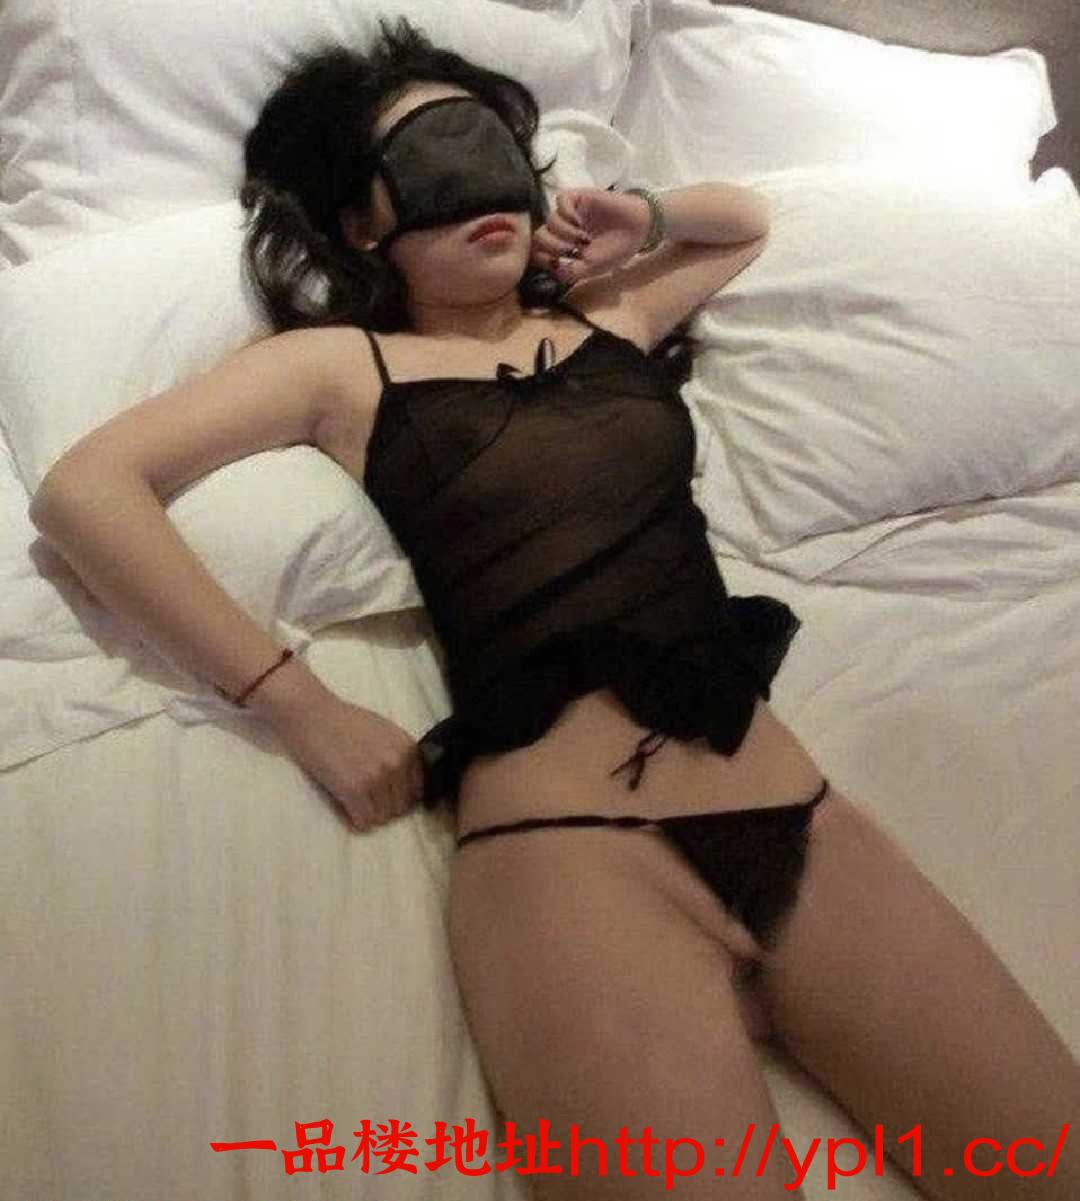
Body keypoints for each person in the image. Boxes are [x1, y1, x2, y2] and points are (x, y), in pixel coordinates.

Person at [29, 19, 1078, 1200]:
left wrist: (646, 215)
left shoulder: (609, 322)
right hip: (572, 863)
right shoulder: (340, 367)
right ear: (363, 222)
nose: (482, 192)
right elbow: (87, 489)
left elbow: (745, 222)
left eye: (495, 156)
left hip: (801, 820)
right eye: (433, 161)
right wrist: (297, 704)